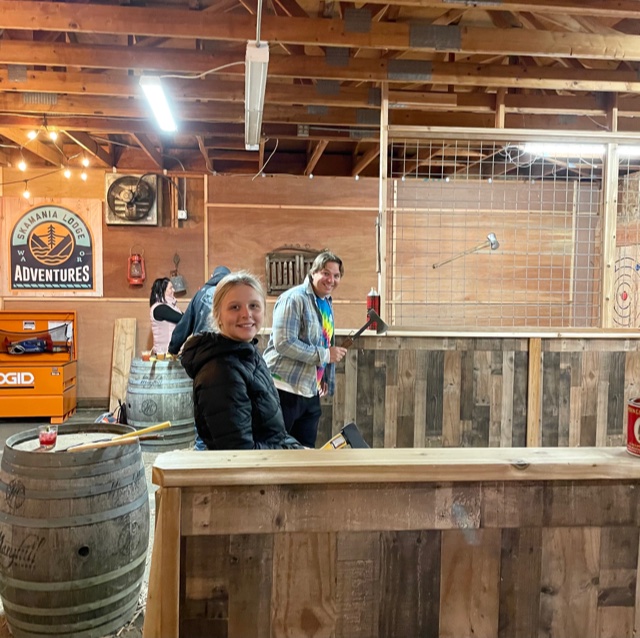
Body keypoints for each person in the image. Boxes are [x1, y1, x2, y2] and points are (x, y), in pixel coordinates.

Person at [180, 271, 304, 450]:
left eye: (254, 305)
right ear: (218, 315)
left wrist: (297, 449)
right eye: (235, 307)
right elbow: (240, 452)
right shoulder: (221, 373)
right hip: (251, 466)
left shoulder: (246, 353)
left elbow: (273, 435)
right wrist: (291, 452)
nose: (246, 314)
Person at [263, 251, 347, 448]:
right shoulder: (294, 298)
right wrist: (324, 356)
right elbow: (284, 343)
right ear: (313, 272)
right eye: (326, 273)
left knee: (304, 452)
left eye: (336, 275)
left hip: (309, 390)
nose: (331, 280)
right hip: (282, 388)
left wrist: (322, 374)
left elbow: (323, 340)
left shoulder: (325, 302)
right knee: (275, 450)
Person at [168, 266, 230, 356]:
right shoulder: (233, 293)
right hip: (226, 352)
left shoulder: (200, 293)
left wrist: (173, 348)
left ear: (212, 276)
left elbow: (185, 324)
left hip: (201, 350)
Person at [149, 277, 183, 355]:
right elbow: (183, 319)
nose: (173, 290)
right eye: (170, 288)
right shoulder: (160, 308)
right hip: (164, 353)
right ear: (162, 291)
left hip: (169, 352)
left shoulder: (170, 306)